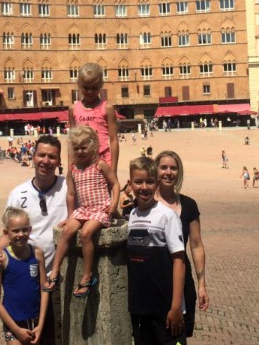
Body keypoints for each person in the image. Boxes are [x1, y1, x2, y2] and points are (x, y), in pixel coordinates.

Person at [0, 135, 67, 345]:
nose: (46, 161)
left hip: (60, 276)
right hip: (29, 279)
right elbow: (8, 233)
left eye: (52, 157)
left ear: (59, 161)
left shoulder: (68, 188)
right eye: (41, 155)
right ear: (33, 157)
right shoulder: (18, 193)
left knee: (55, 335)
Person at [43, 126, 119, 297]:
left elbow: (115, 184)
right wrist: (71, 216)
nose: (80, 151)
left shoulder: (100, 165)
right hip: (83, 210)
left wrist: (113, 205)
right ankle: (55, 272)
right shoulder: (73, 170)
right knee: (67, 231)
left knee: (85, 234)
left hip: (100, 209)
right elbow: (71, 195)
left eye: (84, 147)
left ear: (93, 146)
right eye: (76, 148)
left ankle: (87, 276)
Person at [127, 157, 186, 345]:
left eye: (150, 182)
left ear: (157, 184)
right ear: (130, 184)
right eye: (138, 181)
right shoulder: (130, 216)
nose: (144, 187)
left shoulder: (167, 216)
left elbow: (179, 261)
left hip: (165, 306)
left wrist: (176, 306)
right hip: (140, 307)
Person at [155, 150, 210, 338]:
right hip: (152, 282)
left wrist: (201, 284)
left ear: (179, 172)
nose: (168, 172)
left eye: (173, 168)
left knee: (177, 338)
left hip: (182, 282)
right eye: (163, 167)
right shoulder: (144, 204)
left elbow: (196, 245)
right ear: (155, 170)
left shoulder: (189, 205)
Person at [0, 207, 49, 344]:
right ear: (6, 233)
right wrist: (16, 330)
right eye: (15, 230)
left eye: (24, 229)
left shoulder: (37, 254)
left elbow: (44, 289)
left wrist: (40, 325)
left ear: (30, 230)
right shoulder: (2, 259)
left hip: (35, 323)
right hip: (12, 326)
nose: (21, 234)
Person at [68, 63, 119, 173]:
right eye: (86, 88)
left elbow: (114, 140)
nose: (90, 92)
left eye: (94, 88)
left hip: (104, 161)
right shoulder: (73, 109)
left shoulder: (107, 108)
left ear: (101, 85)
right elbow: (72, 142)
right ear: (79, 85)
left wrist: (113, 169)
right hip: (81, 163)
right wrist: (70, 168)